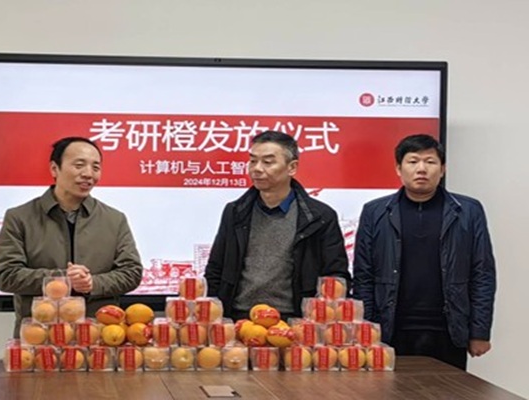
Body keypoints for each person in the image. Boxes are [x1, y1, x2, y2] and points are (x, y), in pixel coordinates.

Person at [352, 134, 496, 370]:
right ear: (398, 168)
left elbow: (483, 273)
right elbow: (363, 276)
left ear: (443, 169)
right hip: (390, 329)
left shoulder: (468, 211)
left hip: (449, 329)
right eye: (413, 161)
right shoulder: (375, 212)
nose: (421, 169)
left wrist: (479, 331)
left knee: (450, 389)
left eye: (430, 162)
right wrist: (365, 330)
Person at [0, 137, 143, 337]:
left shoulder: (114, 219)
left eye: (96, 167)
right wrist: (61, 279)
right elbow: (6, 275)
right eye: (79, 165)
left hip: (99, 336)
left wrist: (93, 283)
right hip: (38, 336)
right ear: (54, 169)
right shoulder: (19, 217)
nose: (88, 174)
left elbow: (132, 272)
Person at [204, 130, 350, 321]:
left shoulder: (319, 217)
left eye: (267, 162)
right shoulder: (235, 212)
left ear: (292, 167)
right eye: (253, 161)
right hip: (241, 318)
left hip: (294, 320)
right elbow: (215, 269)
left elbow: (335, 276)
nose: (257, 168)